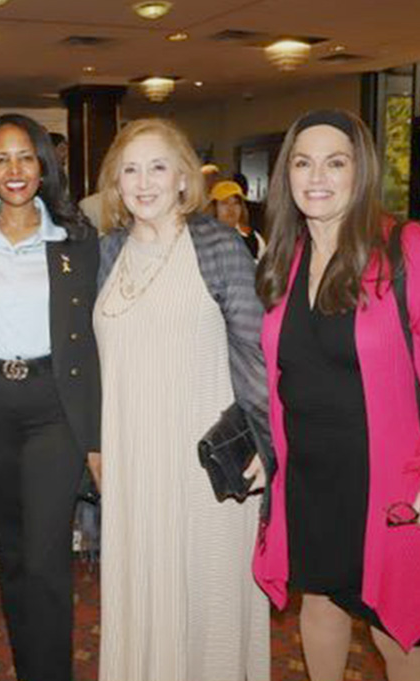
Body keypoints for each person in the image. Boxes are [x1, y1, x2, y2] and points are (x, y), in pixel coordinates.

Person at [252, 109, 420, 681]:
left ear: (361, 171)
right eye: (303, 163)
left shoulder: (404, 247)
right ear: (286, 174)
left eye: (335, 162)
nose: (317, 177)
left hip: (391, 477)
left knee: (403, 631)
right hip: (310, 475)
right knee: (320, 601)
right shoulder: (286, 257)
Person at [93, 118, 272, 681]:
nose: (143, 181)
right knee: (142, 590)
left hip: (204, 466)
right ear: (115, 183)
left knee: (207, 601)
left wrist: (265, 448)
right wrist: (95, 449)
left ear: (183, 179)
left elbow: (255, 352)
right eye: (130, 169)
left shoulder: (218, 246)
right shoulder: (108, 251)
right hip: (132, 464)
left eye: (158, 166)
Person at [0, 113, 101, 681]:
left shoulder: (77, 240)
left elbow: (102, 336)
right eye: (2, 158)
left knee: (45, 556)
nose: (15, 169)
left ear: (43, 166)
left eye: (26, 157)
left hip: (54, 408)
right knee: (10, 555)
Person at [210, 179, 266, 260]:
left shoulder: (254, 239)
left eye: (236, 203)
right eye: (224, 203)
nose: (231, 208)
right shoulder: (204, 238)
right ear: (214, 207)